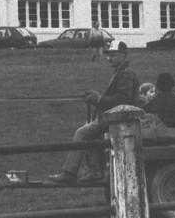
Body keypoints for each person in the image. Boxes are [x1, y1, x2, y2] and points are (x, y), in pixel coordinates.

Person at [46, 41, 139, 185]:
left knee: (81, 133)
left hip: (118, 119)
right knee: (89, 130)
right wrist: (96, 99)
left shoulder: (125, 74)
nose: (109, 58)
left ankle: (70, 173)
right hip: (114, 117)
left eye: (113, 55)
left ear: (123, 56)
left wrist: (99, 98)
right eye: (108, 55)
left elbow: (123, 99)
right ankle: (95, 170)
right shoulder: (122, 73)